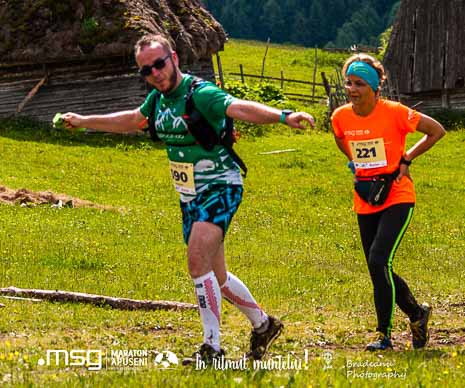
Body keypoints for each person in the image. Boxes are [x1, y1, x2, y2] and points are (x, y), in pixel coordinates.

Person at [62, 33, 315, 364]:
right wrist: (83, 121)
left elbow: (238, 107)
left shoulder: (200, 93)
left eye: (159, 64)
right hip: (189, 195)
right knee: (217, 276)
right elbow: (133, 120)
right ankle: (264, 325)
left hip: (220, 187)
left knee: (197, 261)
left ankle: (212, 348)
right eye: (146, 70)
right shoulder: (157, 100)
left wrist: (283, 116)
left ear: (174, 59)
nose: (155, 73)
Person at [331, 53, 445, 351]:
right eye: (349, 83)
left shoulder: (395, 112)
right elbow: (340, 137)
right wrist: (355, 162)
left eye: (359, 84)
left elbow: (436, 131)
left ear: (374, 87)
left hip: (397, 194)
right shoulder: (340, 116)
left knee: (379, 260)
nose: (352, 90)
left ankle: (383, 335)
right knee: (377, 267)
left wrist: (407, 158)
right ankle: (417, 314)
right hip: (365, 196)